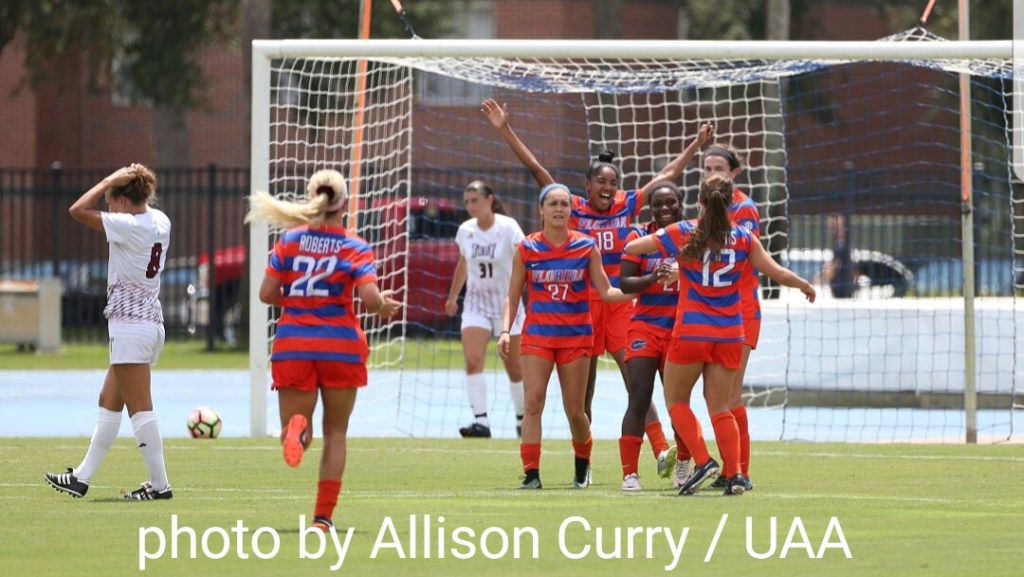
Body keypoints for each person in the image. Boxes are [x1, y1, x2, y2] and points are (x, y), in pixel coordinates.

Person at [483, 98, 713, 475]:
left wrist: (693, 146)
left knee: (635, 381)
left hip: (620, 303)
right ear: (587, 185)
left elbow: (666, 175)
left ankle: (660, 451)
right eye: (600, 182)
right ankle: (584, 460)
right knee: (580, 396)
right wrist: (505, 129)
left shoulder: (627, 205)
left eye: (613, 183)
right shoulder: (570, 205)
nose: (608, 188)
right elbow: (538, 169)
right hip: (581, 308)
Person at [624, 174, 815, 496]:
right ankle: (737, 473)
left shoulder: (684, 232)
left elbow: (632, 246)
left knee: (676, 401)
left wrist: (670, 256)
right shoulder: (743, 237)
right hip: (730, 333)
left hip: (691, 331)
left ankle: (702, 460)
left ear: (699, 202)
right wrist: (804, 285)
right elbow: (777, 272)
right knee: (720, 406)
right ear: (731, 203)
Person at [246, 169, 400, 531]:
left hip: (294, 343)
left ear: (311, 198)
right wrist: (382, 306)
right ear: (344, 203)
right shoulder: (355, 246)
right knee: (336, 433)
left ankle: (296, 431)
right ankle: (322, 518)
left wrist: (301, 302)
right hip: (340, 345)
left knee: (296, 426)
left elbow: (266, 294)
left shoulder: (289, 241)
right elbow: (369, 298)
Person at [45, 163, 174, 501]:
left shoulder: (128, 225)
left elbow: (77, 210)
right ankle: (82, 477)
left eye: (110, 199)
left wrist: (107, 180)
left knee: (141, 408)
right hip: (147, 321)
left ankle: (160, 486)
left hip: (131, 326)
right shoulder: (161, 221)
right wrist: (118, 185)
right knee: (109, 400)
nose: (107, 206)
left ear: (121, 199)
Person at [498, 183, 633, 490]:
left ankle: (582, 467)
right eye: (553, 203)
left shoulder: (586, 246)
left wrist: (640, 289)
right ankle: (531, 474)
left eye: (564, 204)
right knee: (533, 402)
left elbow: (607, 291)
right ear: (541, 210)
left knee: (576, 411)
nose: (559, 208)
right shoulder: (528, 248)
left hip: (576, 337)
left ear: (571, 212)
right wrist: (506, 330)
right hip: (537, 337)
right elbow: (512, 295)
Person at [697, 143, 761, 492]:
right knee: (715, 396)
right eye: (706, 168)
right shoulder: (707, 210)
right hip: (714, 314)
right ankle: (730, 468)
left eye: (718, 168)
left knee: (729, 396)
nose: (711, 174)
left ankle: (740, 471)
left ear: (734, 173)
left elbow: (738, 259)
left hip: (739, 312)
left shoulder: (743, 210)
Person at [444, 180, 527, 438]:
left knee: (513, 367)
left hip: (507, 303)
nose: (470, 206)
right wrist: (452, 296)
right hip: (476, 304)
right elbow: (463, 264)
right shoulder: (465, 230)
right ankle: (481, 423)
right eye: (467, 202)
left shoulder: (508, 227)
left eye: (475, 200)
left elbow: (526, 257)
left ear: (489, 199)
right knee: (473, 360)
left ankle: (523, 420)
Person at [617, 182, 686, 492]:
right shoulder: (638, 238)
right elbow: (626, 282)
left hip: (681, 328)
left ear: (681, 204)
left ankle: (683, 463)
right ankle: (630, 474)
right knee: (639, 396)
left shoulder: (692, 236)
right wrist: (652, 277)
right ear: (650, 209)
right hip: (645, 325)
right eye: (658, 204)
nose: (664, 208)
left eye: (671, 202)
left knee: (677, 402)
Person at [822, 213, 856, 299]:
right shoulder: (842, 246)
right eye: (831, 227)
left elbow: (830, 271)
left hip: (841, 294)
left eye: (835, 227)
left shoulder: (842, 247)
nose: (832, 230)